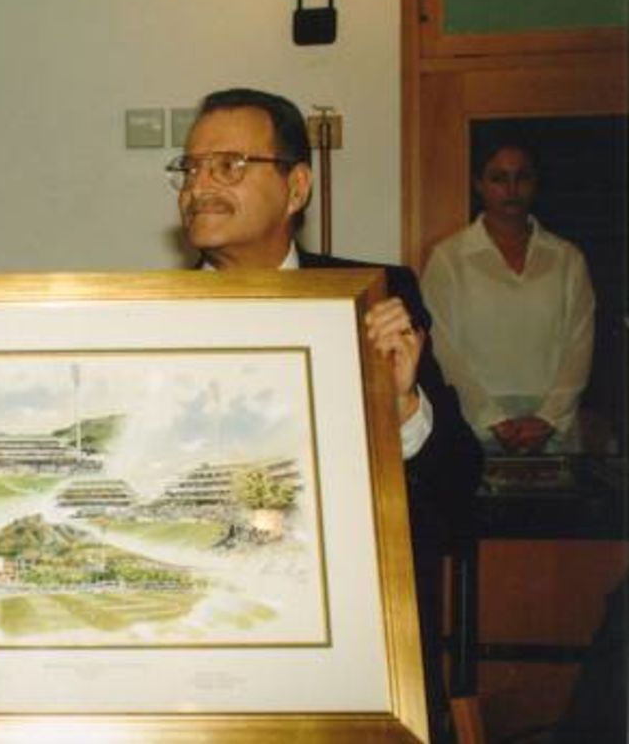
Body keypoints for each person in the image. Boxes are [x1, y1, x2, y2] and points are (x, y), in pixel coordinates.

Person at [167, 87, 483, 743]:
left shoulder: (376, 297)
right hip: (198, 654)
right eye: (191, 167)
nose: (201, 186)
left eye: (228, 165)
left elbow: (457, 486)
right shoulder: (147, 314)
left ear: (297, 186)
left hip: (352, 656)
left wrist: (402, 407)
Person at [420, 140, 595, 455]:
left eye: (522, 177)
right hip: (472, 426)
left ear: (535, 183)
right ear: (479, 184)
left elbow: (579, 347)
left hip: (553, 431)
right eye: (499, 178)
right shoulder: (449, 259)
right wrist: (491, 419)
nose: (512, 189)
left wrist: (547, 418)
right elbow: (442, 348)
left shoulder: (567, 259)